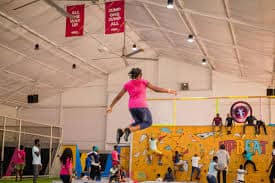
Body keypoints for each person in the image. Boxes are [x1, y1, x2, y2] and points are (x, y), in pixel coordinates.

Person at [106, 68, 177, 144]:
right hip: (141, 106)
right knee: (148, 122)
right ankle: (129, 130)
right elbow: (156, 89)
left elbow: (118, 96)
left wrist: (111, 106)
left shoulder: (127, 84)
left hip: (131, 107)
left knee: (138, 122)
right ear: (140, 75)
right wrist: (169, 91)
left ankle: (122, 131)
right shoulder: (143, 81)